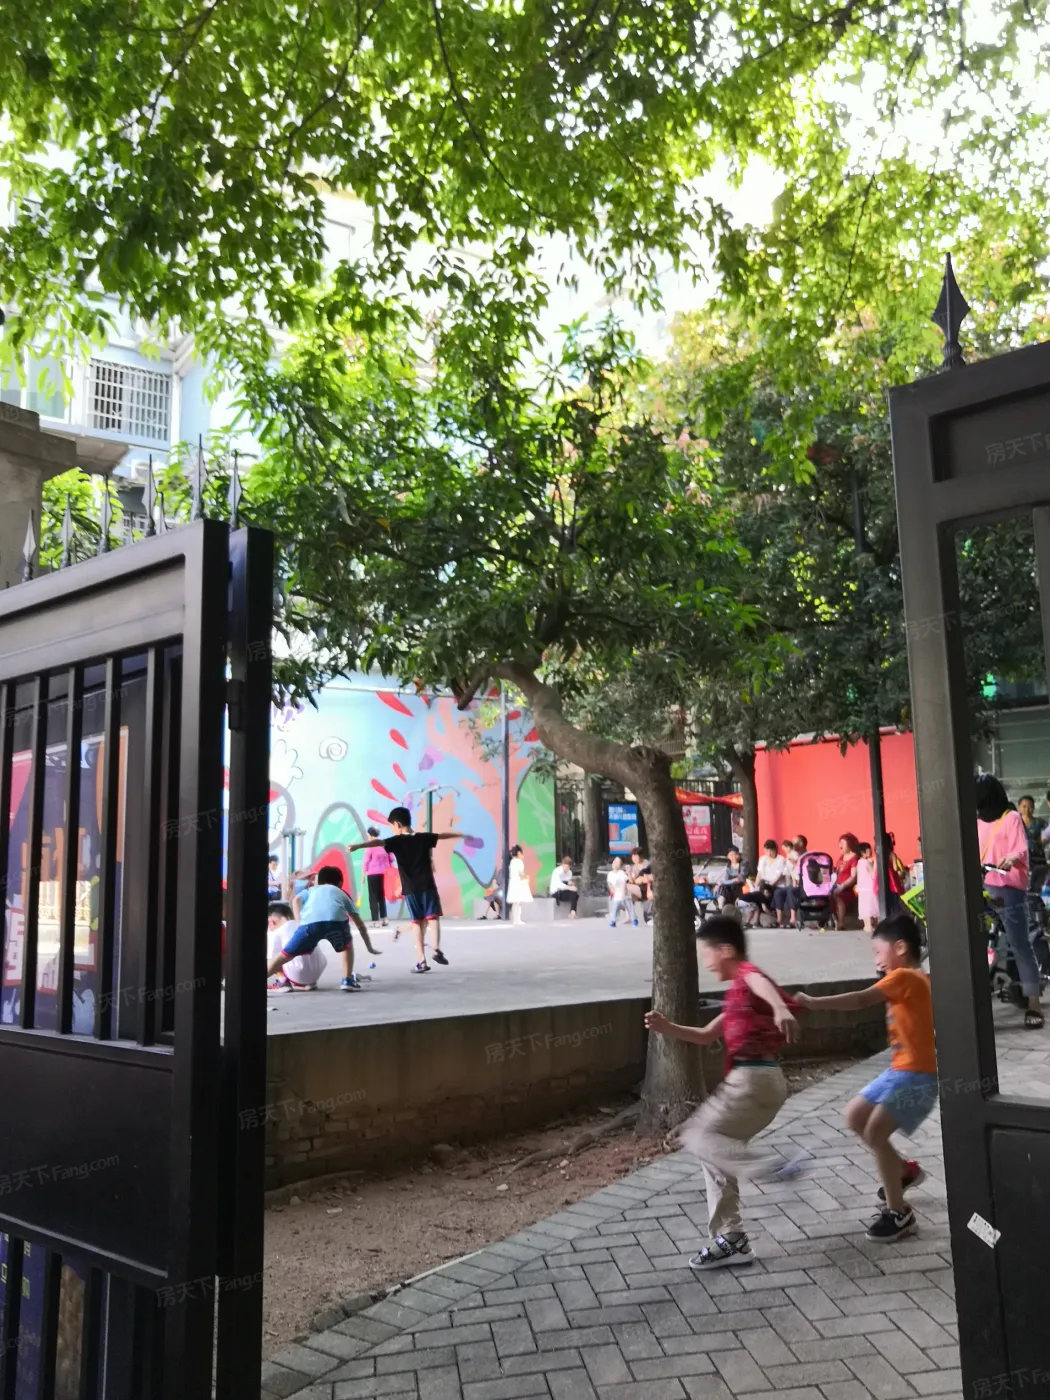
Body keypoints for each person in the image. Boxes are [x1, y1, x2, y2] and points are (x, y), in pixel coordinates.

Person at [644, 915, 801, 1269]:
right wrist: (667, 1027)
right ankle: (732, 1238)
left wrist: (779, 1007)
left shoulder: (747, 976)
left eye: (708, 954)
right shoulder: (736, 998)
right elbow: (704, 1036)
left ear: (726, 950)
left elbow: (760, 981)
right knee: (715, 1151)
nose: (707, 963)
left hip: (752, 1081)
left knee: (698, 1136)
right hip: (764, 1081)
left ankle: (770, 1167)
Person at [795, 913, 937, 1242]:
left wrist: (813, 1003)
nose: (876, 960)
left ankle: (899, 1214)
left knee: (875, 1132)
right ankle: (903, 1172)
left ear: (900, 948)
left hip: (917, 1075)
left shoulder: (906, 977)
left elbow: (861, 999)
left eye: (877, 951)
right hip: (899, 1070)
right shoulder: (911, 978)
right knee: (855, 1115)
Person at [349, 808, 471, 973]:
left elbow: (377, 843)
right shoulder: (423, 837)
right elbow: (442, 835)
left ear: (397, 824)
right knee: (433, 918)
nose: (392, 830)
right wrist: (461, 835)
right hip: (428, 885)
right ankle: (436, 949)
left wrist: (358, 846)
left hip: (411, 889)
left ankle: (421, 961)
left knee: (417, 923)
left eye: (392, 826)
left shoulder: (396, 841)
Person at [977, 774, 1043, 1029]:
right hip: (984, 889)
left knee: (1019, 943)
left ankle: (1034, 1003)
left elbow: (1021, 848)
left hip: (1009, 890)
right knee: (978, 942)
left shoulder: (1011, 817)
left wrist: (1012, 858)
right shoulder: (977, 820)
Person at [268, 866, 379, 991]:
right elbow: (360, 925)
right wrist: (369, 947)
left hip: (309, 926)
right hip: (336, 924)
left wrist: (299, 923)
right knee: (346, 947)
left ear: (318, 882)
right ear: (340, 883)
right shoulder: (341, 892)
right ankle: (347, 980)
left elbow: (296, 900)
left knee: (284, 955)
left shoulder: (311, 890)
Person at [267, 901, 327, 991]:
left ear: (272, 921)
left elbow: (272, 960)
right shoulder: (302, 926)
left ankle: (282, 982)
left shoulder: (275, 933)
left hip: (297, 973)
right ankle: (308, 983)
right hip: (317, 971)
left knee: (274, 957)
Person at [739, 839, 786, 927]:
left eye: (771, 851)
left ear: (775, 850)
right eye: (767, 851)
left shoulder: (781, 859)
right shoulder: (763, 859)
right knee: (756, 895)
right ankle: (755, 920)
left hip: (777, 884)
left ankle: (777, 918)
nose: (769, 853)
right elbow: (759, 873)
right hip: (764, 883)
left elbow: (779, 875)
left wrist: (770, 885)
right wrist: (756, 885)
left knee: (775, 894)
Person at [361, 827, 392, 927]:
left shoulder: (370, 846)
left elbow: (366, 861)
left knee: (373, 897)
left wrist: (363, 875)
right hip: (383, 874)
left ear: (370, 835)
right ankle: (385, 919)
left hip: (372, 874)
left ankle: (376, 921)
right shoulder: (383, 845)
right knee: (381, 896)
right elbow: (391, 858)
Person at [831, 833, 860, 929]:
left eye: (843, 843)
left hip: (847, 888)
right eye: (839, 843)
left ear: (850, 844)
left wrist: (843, 886)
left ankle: (841, 922)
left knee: (837, 896)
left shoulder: (854, 858)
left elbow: (853, 876)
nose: (840, 845)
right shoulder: (841, 857)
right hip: (836, 885)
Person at [771, 838, 799, 928]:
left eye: (784, 848)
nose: (784, 851)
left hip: (797, 882)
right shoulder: (788, 857)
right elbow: (786, 872)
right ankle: (779, 919)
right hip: (790, 882)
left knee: (791, 891)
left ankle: (793, 919)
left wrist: (794, 881)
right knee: (778, 892)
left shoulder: (794, 855)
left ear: (788, 847)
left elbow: (796, 869)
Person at [506, 844, 533, 925]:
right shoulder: (519, 862)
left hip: (513, 883)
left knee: (515, 903)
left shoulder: (512, 862)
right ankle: (518, 919)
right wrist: (527, 877)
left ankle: (515, 919)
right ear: (518, 853)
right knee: (518, 902)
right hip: (519, 883)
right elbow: (521, 874)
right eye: (521, 853)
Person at [626, 847, 653, 924]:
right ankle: (630, 916)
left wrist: (642, 879)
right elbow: (632, 881)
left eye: (636, 856)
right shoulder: (634, 867)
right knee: (628, 892)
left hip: (648, 888)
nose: (634, 858)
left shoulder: (647, 864)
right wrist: (629, 873)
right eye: (633, 856)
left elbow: (647, 878)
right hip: (640, 889)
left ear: (641, 856)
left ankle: (632, 916)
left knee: (626, 887)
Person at [856, 841, 878, 933]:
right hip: (869, 888)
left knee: (864, 907)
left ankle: (866, 925)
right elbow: (873, 875)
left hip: (862, 889)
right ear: (863, 852)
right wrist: (875, 864)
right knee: (871, 906)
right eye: (868, 850)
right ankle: (870, 925)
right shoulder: (866, 862)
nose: (871, 852)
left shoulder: (859, 862)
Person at [607, 856, 633, 926]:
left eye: (617, 862)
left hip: (623, 894)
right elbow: (610, 884)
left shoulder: (621, 873)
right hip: (615, 894)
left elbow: (625, 882)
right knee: (612, 901)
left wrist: (629, 873)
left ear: (621, 866)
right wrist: (613, 891)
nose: (615, 863)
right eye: (614, 861)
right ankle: (614, 917)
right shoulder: (610, 874)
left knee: (626, 904)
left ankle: (629, 917)